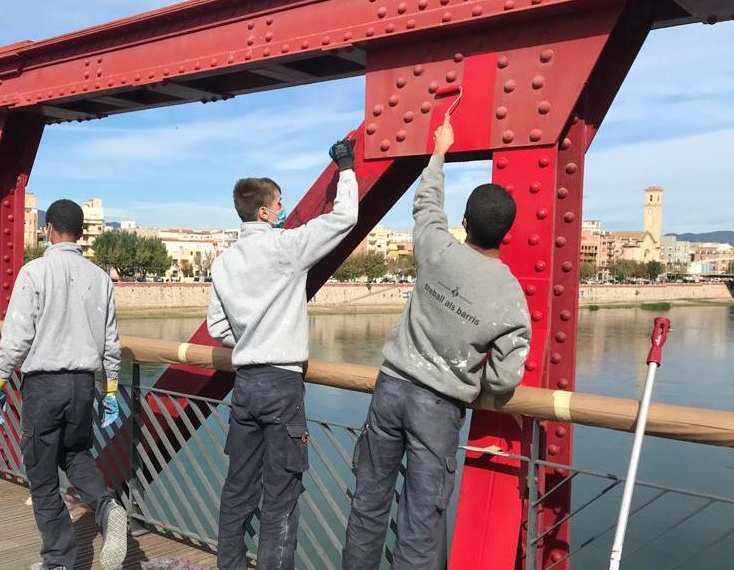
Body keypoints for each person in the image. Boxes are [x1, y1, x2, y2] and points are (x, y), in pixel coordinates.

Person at [342, 115, 532, 570]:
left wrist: (440, 150)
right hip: (440, 406)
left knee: (368, 506)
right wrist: (471, 385)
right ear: (505, 233)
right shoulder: (508, 293)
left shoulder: (438, 248)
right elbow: (507, 374)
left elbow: (426, 204)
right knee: (420, 525)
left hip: (390, 388)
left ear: (464, 222)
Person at [208, 138, 359, 570]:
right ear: (264, 212)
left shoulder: (223, 262)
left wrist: (253, 337)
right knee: (282, 496)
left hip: (246, 386)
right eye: (278, 204)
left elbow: (219, 329)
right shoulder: (287, 247)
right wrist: (345, 167)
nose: (282, 209)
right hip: (282, 385)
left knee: (237, 489)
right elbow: (345, 217)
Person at [0, 199, 128, 570]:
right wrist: (110, 389)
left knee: (42, 475)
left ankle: (60, 561)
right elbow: (111, 343)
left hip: (44, 385)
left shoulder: (34, 272)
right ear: (81, 232)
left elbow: (17, 337)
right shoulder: (100, 278)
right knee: (76, 454)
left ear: (48, 229)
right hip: (84, 384)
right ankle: (107, 505)